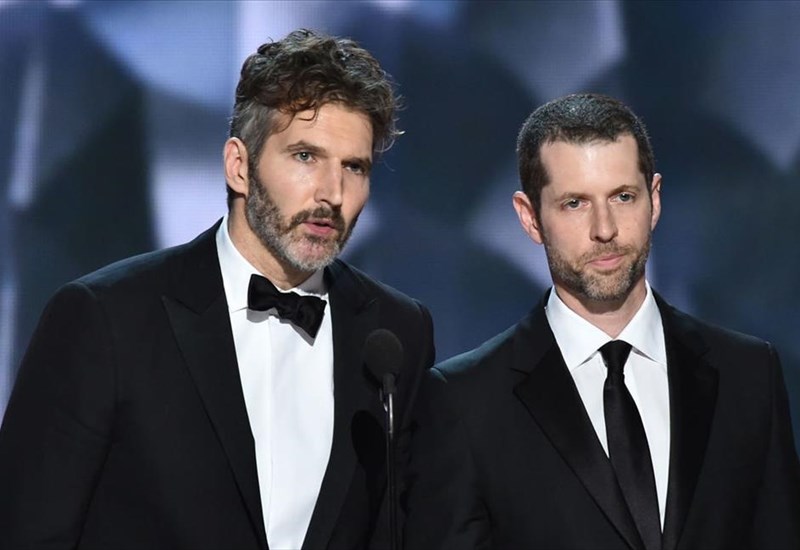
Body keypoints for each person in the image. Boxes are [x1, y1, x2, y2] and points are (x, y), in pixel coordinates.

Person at [0, 29, 434, 550]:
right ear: (239, 166)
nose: (332, 194)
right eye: (305, 156)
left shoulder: (396, 332)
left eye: (354, 167)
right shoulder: (106, 318)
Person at [404, 93, 800, 550]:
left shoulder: (748, 374)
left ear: (654, 199)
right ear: (530, 218)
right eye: (575, 203)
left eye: (623, 197)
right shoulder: (464, 401)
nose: (605, 229)